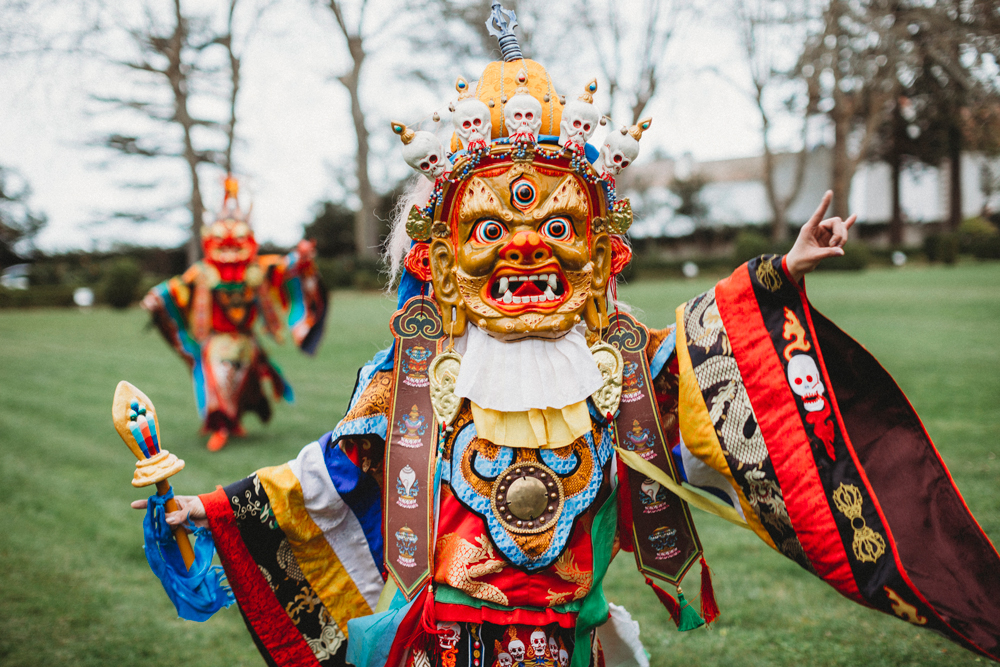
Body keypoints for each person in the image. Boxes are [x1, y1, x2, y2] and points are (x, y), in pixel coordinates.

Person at [132, 7, 1000, 666]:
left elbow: (718, 366)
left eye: (557, 227)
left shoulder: (620, 362)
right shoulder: (418, 368)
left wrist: (780, 273)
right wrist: (204, 511)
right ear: (439, 253)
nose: (525, 248)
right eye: (492, 232)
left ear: (599, 250)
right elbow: (326, 473)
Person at [142, 176, 327, 451]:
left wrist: (300, 259)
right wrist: (157, 297)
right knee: (220, 380)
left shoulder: (257, 268)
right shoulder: (203, 271)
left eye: (237, 237)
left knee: (242, 384)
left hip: (246, 340)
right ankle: (221, 427)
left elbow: (282, 268)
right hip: (217, 340)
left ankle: (233, 422)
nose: (229, 244)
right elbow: (177, 287)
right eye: (222, 238)